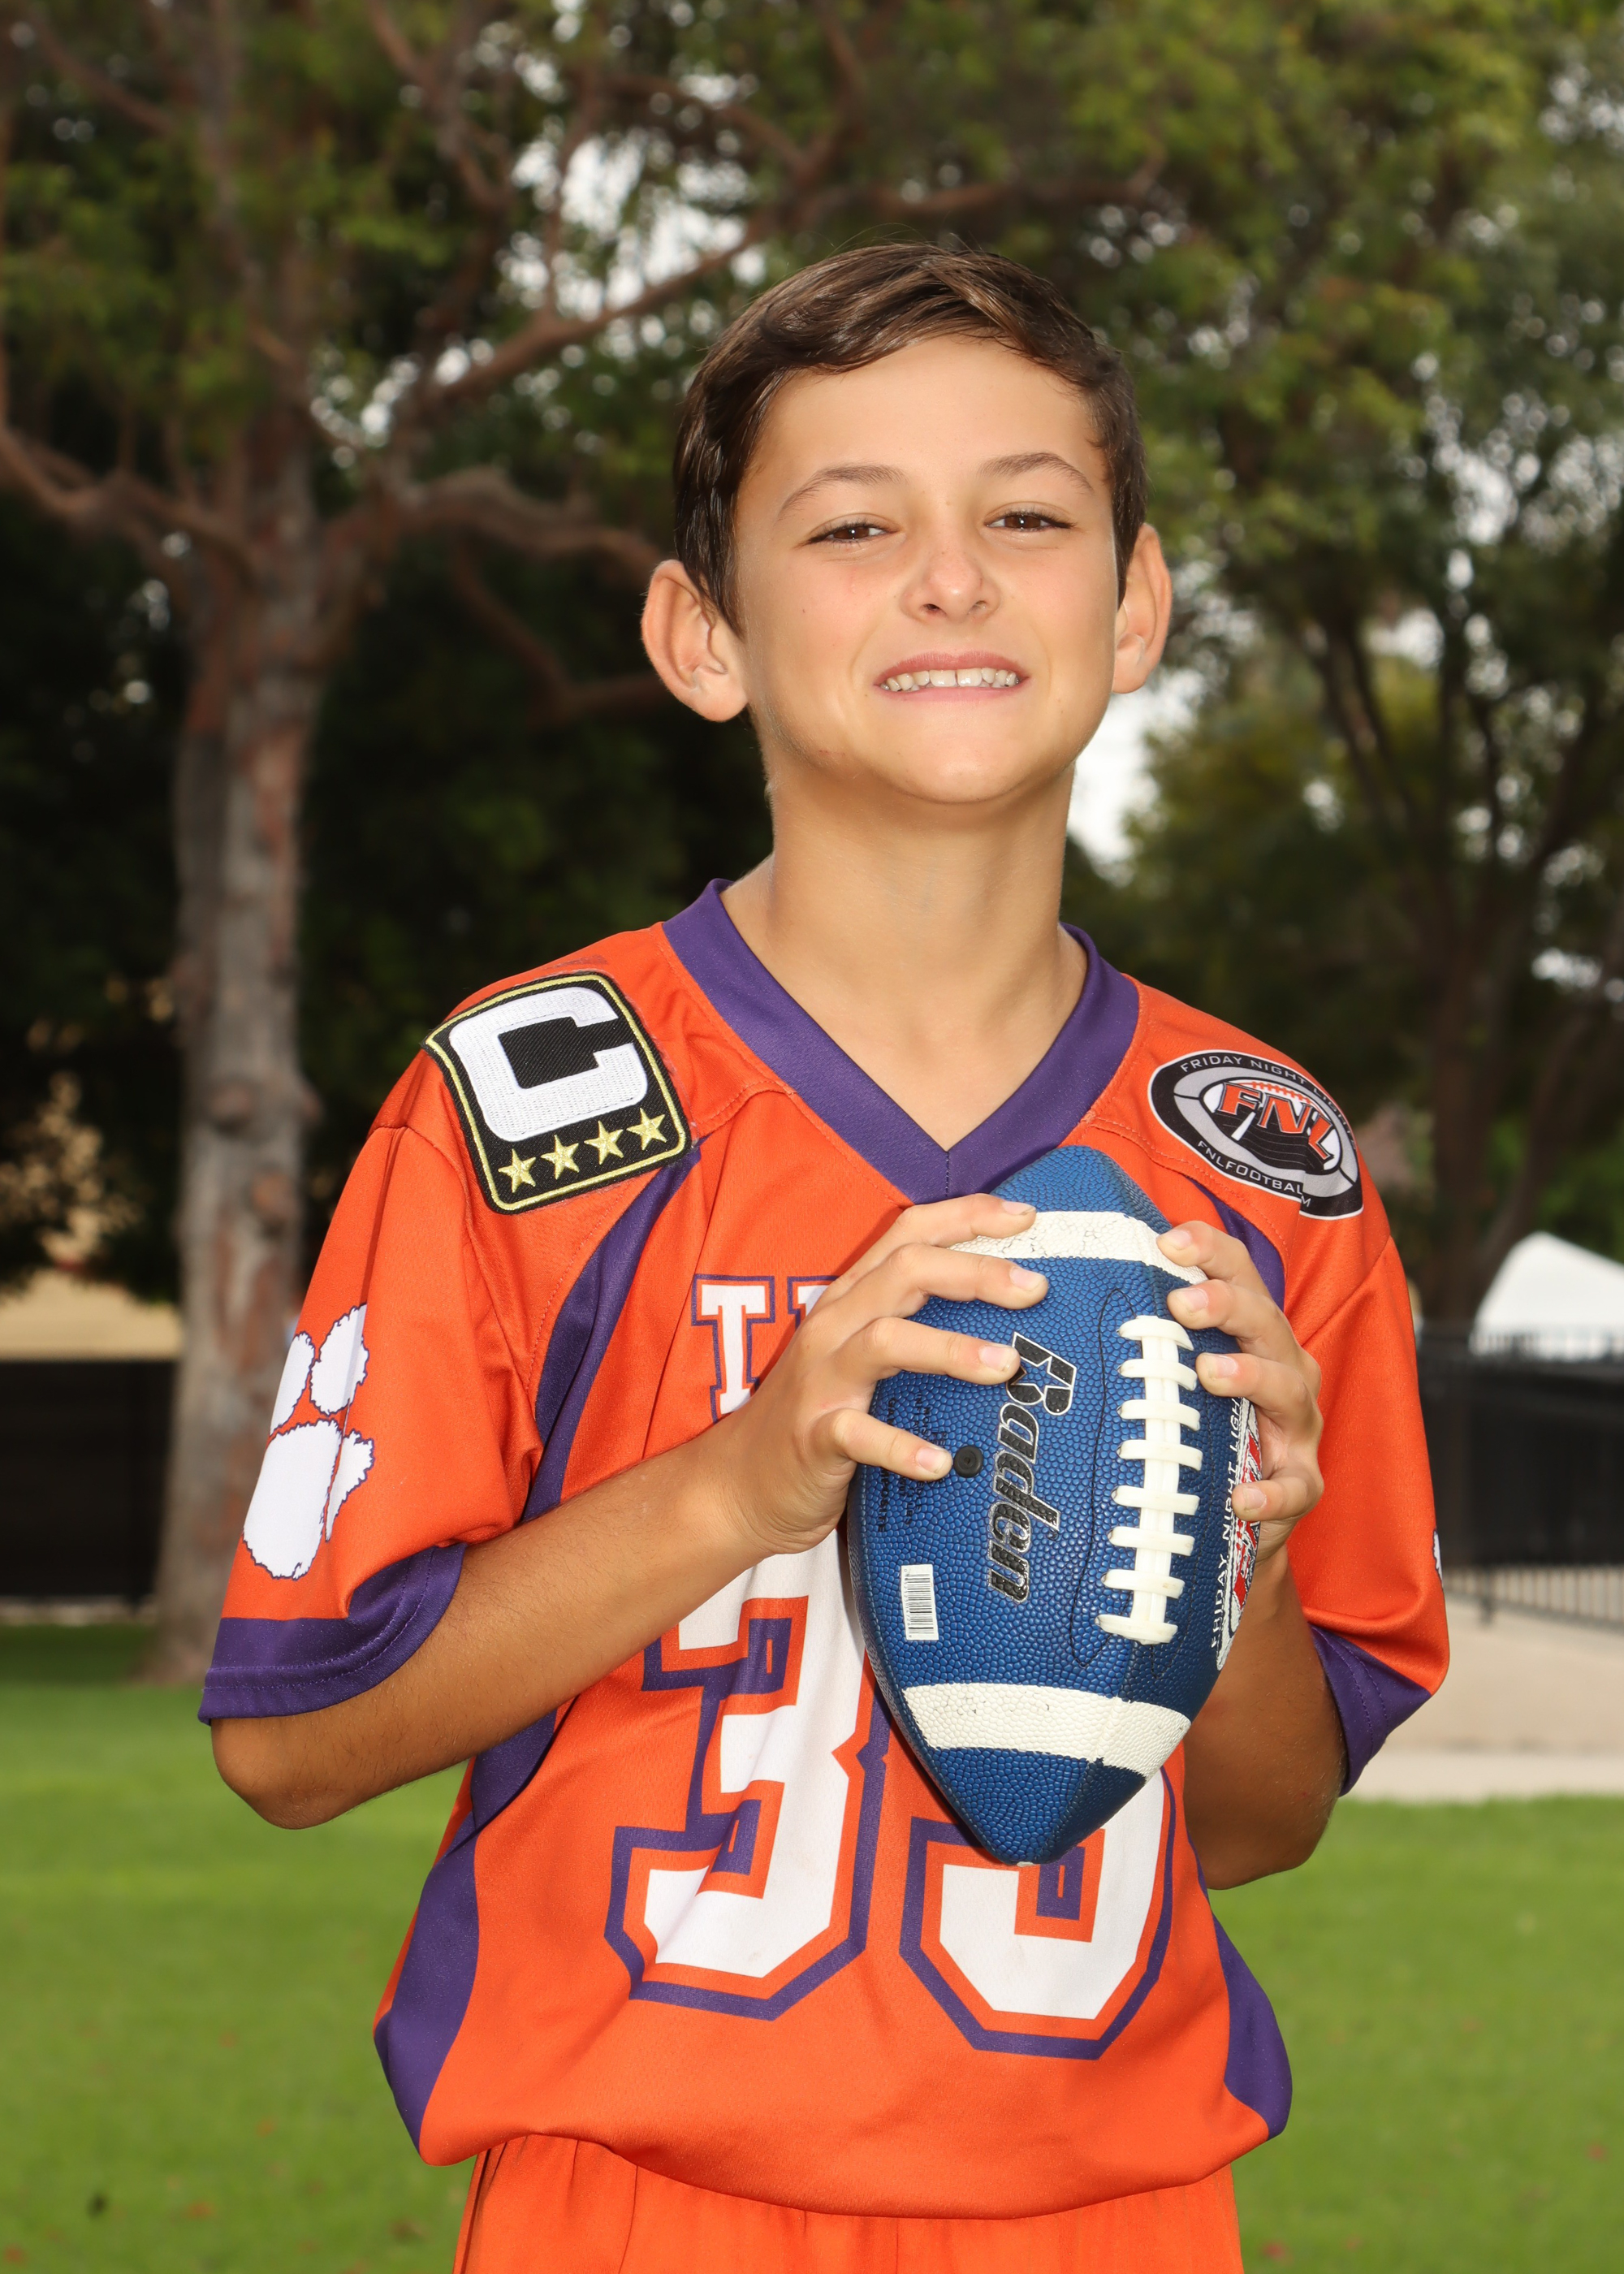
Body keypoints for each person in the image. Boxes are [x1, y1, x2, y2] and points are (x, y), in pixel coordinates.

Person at [205, 244, 1446, 2272]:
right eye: (854, 525)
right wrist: (742, 1479)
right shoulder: (530, 1109)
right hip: (635, 2215)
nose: (950, 579)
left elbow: (1256, 1821)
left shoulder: (1266, 1160)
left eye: (1025, 518)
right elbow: (287, 1736)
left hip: (1112, 2221)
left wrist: (1233, 1563)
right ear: (702, 634)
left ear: (1134, 605)